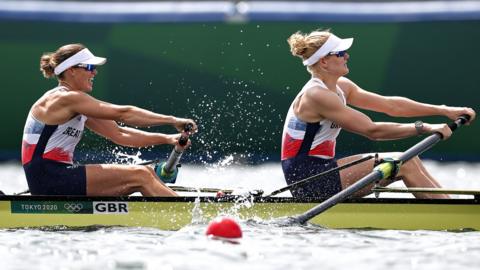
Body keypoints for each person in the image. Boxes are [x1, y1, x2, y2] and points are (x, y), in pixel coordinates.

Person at [282, 29, 475, 200]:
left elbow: (392, 106)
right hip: (308, 180)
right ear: (324, 61)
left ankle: (448, 203)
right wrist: (424, 127)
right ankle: (450, 217)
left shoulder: (342, 87)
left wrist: (444, 110)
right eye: (341, 53)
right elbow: (372, 130)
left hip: (323, 170)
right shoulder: (316, 95)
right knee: (403, 163)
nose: (347, 56)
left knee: (410, 158)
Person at [22, 43, 197, 196]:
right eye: (90, 67)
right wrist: (172, 120)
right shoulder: (64, 99)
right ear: (72, 70)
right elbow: (124, 114)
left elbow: (119, 134)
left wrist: (167, 139)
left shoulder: (75, 103)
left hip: (55, 176)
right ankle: (189, 217)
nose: (95, 72)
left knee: (148, 173)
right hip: (49, 177)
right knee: (141, 175)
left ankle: (178, 209)